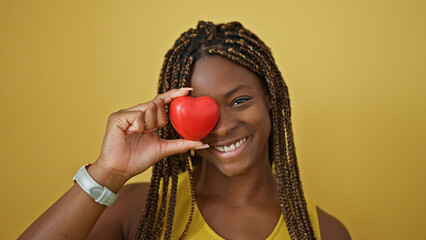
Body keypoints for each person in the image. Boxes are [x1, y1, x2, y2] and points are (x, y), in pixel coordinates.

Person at [19, 21, 350, 240]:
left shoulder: (324, 231)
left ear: (271, 100)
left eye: (240, 100)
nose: (222, 125)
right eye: (204, 109)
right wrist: (109, 172)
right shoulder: (141, 210)